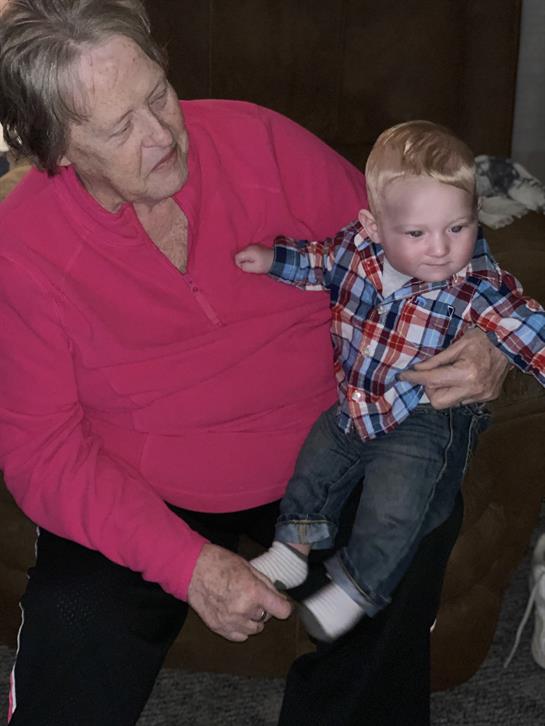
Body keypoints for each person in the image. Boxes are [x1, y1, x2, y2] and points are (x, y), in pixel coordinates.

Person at [0, 2, 510, 725]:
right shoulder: (23, 249)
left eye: (158, 94)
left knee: (414, 515)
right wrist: (187, 566)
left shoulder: (258, 142)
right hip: (143, 482)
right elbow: (43, 451)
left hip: (327, 445)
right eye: (119, 128)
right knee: (75, 626)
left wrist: (485, 331)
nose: (161, 135)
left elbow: (417, 236)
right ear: (56, 151)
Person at [235, 120, 545, 641]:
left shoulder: (475, 284)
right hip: (356, 402)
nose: (441, 249)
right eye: (417, 233)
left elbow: (529, 328)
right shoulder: (355, 250)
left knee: (396, 503)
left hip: (426, 417)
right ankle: (291, 548)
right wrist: (273, 260)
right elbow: (318, 261)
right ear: (374, 227)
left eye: (458, 227)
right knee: (314, 466)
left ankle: (357, 586)